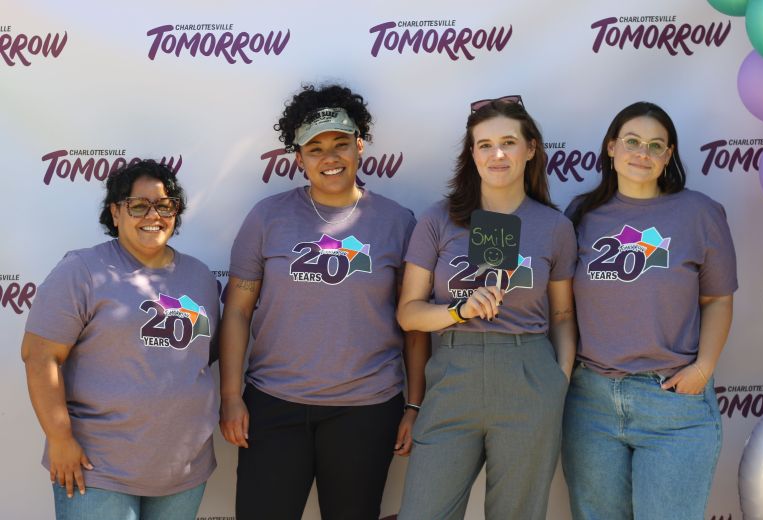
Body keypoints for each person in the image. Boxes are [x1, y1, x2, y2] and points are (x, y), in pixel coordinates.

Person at [219, 83, 429, 520]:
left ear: (360, 146)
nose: (329, 158)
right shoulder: (266, 217)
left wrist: (413, 404)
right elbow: (238, 311)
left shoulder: (398, 222)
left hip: (366, 410)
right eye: (314, 149)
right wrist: (230, 396)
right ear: (298, 158)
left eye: (340, 144)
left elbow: (413, 323)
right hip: (274, 404)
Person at [397, 96, 577, 520]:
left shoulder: (555, 227)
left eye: (509, 142)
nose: (497, 154)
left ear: (530, 149)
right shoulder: (438, 220)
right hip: (452, 374)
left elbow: (563, 316)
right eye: (484, 144)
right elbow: (409, 313)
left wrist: (558, 380)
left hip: (530, 375)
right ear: (472, 153)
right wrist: (459, 310)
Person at [561, 101, 737, 520]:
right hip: (591, 405)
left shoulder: (700, 214)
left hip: (673, 404)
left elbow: (718, 301)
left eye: (656, 146)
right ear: (610, 147)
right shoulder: (581, 215)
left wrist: (704, 368)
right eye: (633, 141)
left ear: (668, 156)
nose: (643, 153)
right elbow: (561, 311)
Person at [21, 160, 220, 520]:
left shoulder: (201, 276)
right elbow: (39, 357)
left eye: (165, 205)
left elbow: (203, 358)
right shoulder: (81, 270)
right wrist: (60, 439)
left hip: (184, 470)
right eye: (138, 205)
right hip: (99, 468)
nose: (153, 215)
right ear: (115, 212)